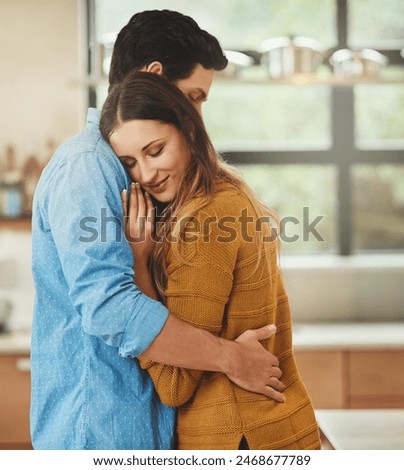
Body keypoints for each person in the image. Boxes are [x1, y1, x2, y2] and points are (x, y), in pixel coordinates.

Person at [30, 9, 285, 450]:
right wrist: (231, 358)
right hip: (100, 431)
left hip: (136, 424)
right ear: (155, 76)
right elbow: (110, 306)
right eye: (194, 96)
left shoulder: (129, 168)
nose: (196, 115)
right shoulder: (90, 165)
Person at [100, 71, 321, 450]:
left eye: (155, 151)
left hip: (240, 438)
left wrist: (138, 261)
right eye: (130, 162)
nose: (147, 174)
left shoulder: (205, 222)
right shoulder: (227, 193)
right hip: (273, 428)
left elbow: (174, 386)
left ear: (188, 130)